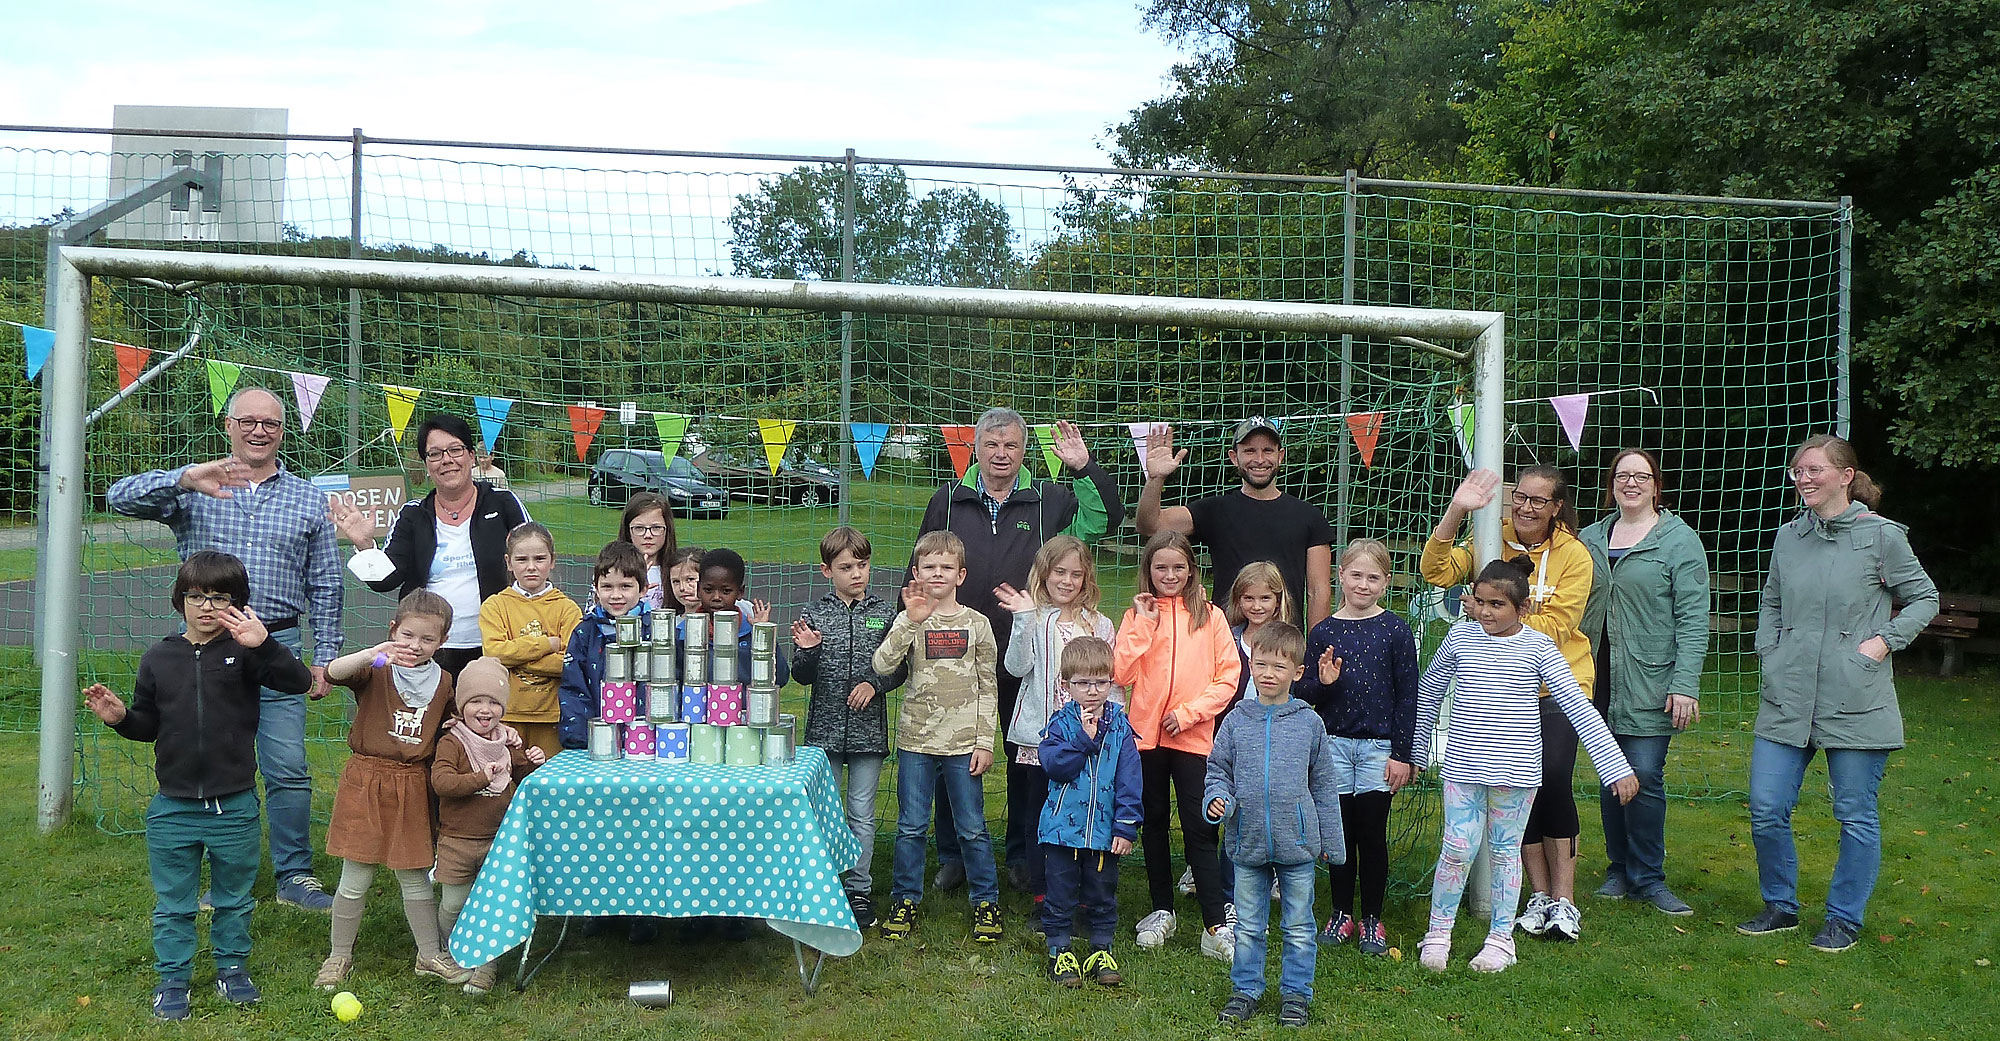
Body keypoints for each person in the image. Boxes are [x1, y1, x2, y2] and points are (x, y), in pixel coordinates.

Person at [105, 386, 343, 913]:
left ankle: (295, 874)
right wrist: (183, 477)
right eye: (249, 421)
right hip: (206, 651)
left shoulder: (308, 498)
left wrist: (324, 656)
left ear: (284, 432)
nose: (260, 431)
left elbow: (325, 583)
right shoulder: (195, 487)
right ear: (228, 426)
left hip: (277, 644)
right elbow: (116, 497)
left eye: (271, 424)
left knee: (286, 766)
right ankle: (227, 873)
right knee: (216, 764)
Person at [83, 551, 314, 1020]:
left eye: (219, 598)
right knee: (174, 903)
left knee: (233, 897)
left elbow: (297, 682)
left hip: (234, 806)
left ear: (237, 603)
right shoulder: (158, 657)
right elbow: (148, 724)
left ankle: (232, 968)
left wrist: (265, 644)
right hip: (173, 807)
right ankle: (173, 980)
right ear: (180, 599)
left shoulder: (247, 652)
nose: (206, 607)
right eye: (196, 596)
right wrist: (121, 718)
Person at [1738, 435, 1937, 953]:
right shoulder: (1788, 536)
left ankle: (1844, 918)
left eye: (1814, 470)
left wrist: (1882, 643)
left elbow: (1923, 597)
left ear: (1846, 476)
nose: (1803, 478)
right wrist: (1771, 650)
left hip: (1857, 697)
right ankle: (1780, 905)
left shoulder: (1882, 538)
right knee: (1766, 805)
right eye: (1797, 470)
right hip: (1788, 695)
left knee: (1854, 813)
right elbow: (1772, 602)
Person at [915, 408, 1123, 894]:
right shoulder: (948, 500)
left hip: (1029, 659)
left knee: (1023, 760)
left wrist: (1083, 467)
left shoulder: (1049, 499)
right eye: (992, 445)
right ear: (977, 448)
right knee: (953, 756)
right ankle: (954, 855)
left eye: (1010, 445)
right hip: (956, 654)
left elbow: (1104, 520)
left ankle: (1020, 855)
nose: (1001, 454)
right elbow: (920, 567)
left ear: (1024, 449)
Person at [1413, 558, 1638, 974]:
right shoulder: (1459, 639)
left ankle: (1501, 939)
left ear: (1523, 608)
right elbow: (1428, 694)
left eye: (1496, 604)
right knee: (1457, 848)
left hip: (1515, 774)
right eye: (1479, 601)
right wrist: (1414, 751)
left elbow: (1576, 706)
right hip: (1462, 769)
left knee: (1504, 853)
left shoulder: (1538, 648)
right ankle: (1438, 933)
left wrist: (1615, 767)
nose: (1484, 612)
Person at [1421, 465, 1596, 941]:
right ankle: (1536, 895)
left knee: (1553, 778)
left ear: (1557, 507)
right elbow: (1434, 569)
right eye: (1520, 496)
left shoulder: (1575, 556)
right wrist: (1458, 509)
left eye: (1539, 501)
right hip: (1497, 692)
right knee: (1512, 785)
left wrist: (1489, 622)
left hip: (1556, 684)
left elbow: (1559, 625)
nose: (1525, 507)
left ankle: (1565, 900)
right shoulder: (1488, 536)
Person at [1578, 449, 1710, 916]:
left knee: (1645, 776)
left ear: (1657, 485)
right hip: (1595, 679)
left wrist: (1685, 683)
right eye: (1622, 475)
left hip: (1651, 679)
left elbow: (1694, 620)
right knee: (1610, 776)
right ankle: (1619, 870)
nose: (1630, 483)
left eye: (1641, 476)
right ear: (1611, 483)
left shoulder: (1679, 541)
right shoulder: (1590, 538)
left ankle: (1649, 877)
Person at [315, 590, 467, 990]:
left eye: (427, 639)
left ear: (442, 641)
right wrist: (370, 653)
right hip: (366, 780)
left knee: (414, 875)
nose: (416, 646)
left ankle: (429, 954)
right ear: (393, 630)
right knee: (356, 876)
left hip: (411, 783)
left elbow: (452, 724)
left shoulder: (444, 681)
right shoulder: (377, 667)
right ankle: (339, 955)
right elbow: (332, 672)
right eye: (408, 635)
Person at [1206, 621, 1343, 1028]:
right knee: (1248, 926)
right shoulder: (1236, 720)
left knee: (1299, 926)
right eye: (1260, 664)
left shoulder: (1309, 723)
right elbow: (1218, 770)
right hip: (1246, 844)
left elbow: (1323, 785)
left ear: (1297, 673)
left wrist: (1331, 845)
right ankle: (1245, 990)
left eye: (1278, 667)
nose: (1267, 673)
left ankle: (1297, 995)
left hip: (1297, 847)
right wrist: (1217, 799)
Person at [1114, 531, 1242, 961]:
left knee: (1200, 830)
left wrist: (1189, 714)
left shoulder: (1210, 616)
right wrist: (1145, 625)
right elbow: (1121, 674)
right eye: (1160, 567)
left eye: (1178, 567)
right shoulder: (1137, 616)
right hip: (1144, 741)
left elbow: (1228, 677)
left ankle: (1213, 925)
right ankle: (1161, 910)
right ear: (1148, 570)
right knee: (1151, 826)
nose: (1169, 575)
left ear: (1191, 570)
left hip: (1192, 740)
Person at [874, 531, 1004, 944]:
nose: (937, 573)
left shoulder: (977, 624)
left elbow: (989, 686)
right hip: (916, 742)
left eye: (946, 567)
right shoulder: (910, 617)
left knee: (972, 827)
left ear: (961, 575)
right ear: (916, 573)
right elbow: (882, 664)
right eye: (929, 567)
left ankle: (986, 901)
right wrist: (908, 621)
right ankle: (904, 899)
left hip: (964, 744)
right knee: (911, 826)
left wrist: (985, 741)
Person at [333, 413, 531, 677]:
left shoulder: (504, 503)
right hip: (428, 651)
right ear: (426, 465)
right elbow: (386, 580)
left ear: (471, 456)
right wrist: (365, 546)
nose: (446, 460)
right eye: (435, 454)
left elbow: (533, 560)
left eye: (455, 450)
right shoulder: (413, 515)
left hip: (496, 646)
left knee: (486, 718)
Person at [1294, 538, 1419, 956]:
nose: (1363, 585)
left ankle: (1372, 918)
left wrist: (1403, 753)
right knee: (1338, 834)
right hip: (1333, 746)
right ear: (1340, 575)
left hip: (1377, 749)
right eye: (1356, 575)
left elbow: (1408, 696)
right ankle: (1341, 912)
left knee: (1372, 833)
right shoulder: (1324, 631)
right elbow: (1307, 691)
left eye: (1373, 577)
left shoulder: (1396, 630)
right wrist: (1323, 683)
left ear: (1385, 583)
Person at [997, 534, 1116, 929]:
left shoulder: (1100, 625)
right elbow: (1016, 668)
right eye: (1059, 572)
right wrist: (1021, 619)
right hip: (1039, 740)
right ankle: (1043, 896)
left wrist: (1108, 729)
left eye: (1075, 574)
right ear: (1044, 574)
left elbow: (1109, 681)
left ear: (1086, 579)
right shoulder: (1035, 616)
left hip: (1085, 739)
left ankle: (1082, 898)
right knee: (1038, 816)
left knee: (1080, 813)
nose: (1066, 581)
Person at [792, 526, 907, 930]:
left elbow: (900, 668)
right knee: (824, 812)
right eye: (846, 567)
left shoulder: (885, 613)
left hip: (868, 735)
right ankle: (823, 886)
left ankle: (859, 889)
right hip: (823, 733)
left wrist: (874, 684)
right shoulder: (814, 614)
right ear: (827, 571)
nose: (856, 573)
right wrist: (808, 652)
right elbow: (800, 675)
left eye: (862, 565)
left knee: (861, 813)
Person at [554, 541, 663, 943]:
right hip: (597, 748)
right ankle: (601, 904)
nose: (616, 596)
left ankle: (643, 908)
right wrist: (581, 739)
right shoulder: (585, 632)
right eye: (608, 587)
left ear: (644, 589)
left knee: (643, 827)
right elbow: (574, 687)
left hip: (644, 744)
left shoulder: (658, 630)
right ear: (595, 588)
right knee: (599, 828)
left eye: (626, 587)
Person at [1136, 417, 1335, 627]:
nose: (1259, 459)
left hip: (1282, 647)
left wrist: (1314, 650)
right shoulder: (1214, 510)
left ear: (1280, 456)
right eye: (1249, 451)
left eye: (1268, 450)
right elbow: (1151, 525)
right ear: (1234, 457)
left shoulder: (1309, 516)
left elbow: (1318, 591)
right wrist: (1155, 479)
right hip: (1226, 642)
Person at [432, 657, 546, 996]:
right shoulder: (452, 742)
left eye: (494, 702)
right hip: (457, 840)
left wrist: (530, 759)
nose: (486, 710)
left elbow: (519, 776)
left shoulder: (507, 741)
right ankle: (454, 954)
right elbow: (442, 783)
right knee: (453, 903)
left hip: (498, 839)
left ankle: (485, 965)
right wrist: (481, 777)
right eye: (476, 702)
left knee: (491, 904)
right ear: (462, 705)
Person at [1037, 636, 1141, 989]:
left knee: (1101, 892)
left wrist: (1125, 826)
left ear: (1111, 682)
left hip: (1102, 832)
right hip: (1061, 832)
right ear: (1067, 685)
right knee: (1060, 893)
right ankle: (1059, 949)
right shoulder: (1060, 724)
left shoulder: (1121, 726)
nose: (1092, 691)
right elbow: (1055, 766)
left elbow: (1130, 778)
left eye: (1100, 682)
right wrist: (1084, 739)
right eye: (1083, 683)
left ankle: (1100, 949)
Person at [1202, 559, 1296, 909]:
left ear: (1278, 599)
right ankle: (1228, 891)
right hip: (1233, 741)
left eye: (1265, 599)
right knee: (1231, 811)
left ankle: (1274, 875)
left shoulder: (1288, 640)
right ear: (1238, 600)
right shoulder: (1228, 638)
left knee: (1270, 811)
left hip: (1275, 745)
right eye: (1248, 599)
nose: (1256, 607)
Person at [478, 522, 582, 760]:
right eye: (522, 559)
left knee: (548, 783)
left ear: (552, 561)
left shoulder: (567, 609)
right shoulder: (495, 606)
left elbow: (568, 664)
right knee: (505, 782)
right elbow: (494, 654)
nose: (531, 567)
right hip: (507, 715)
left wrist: (516, 658)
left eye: (540, 558)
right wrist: (548, 644)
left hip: (552, 716)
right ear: (508, 562)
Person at [695, 548, 789, 686]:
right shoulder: (684, 633)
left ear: (740, 592)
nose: (716, 597)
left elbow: (780, 678)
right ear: (698, 589)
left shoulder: (751, 632)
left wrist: (764, 634)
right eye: (708, 590)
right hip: (698, 706)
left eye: (726, 591)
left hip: (744, 707)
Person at [619, 492, 679, 610]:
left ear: (667, 530)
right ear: (628, 531)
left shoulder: (678, 570)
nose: (648, 535)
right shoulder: (611, 568)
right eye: (639, 528)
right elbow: (595, 614)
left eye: (656, 528)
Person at [665, 545, 704, 613]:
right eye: (676, 581)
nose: (682, 588)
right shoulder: (671, 620)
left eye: (690, 579)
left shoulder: (718, 620)